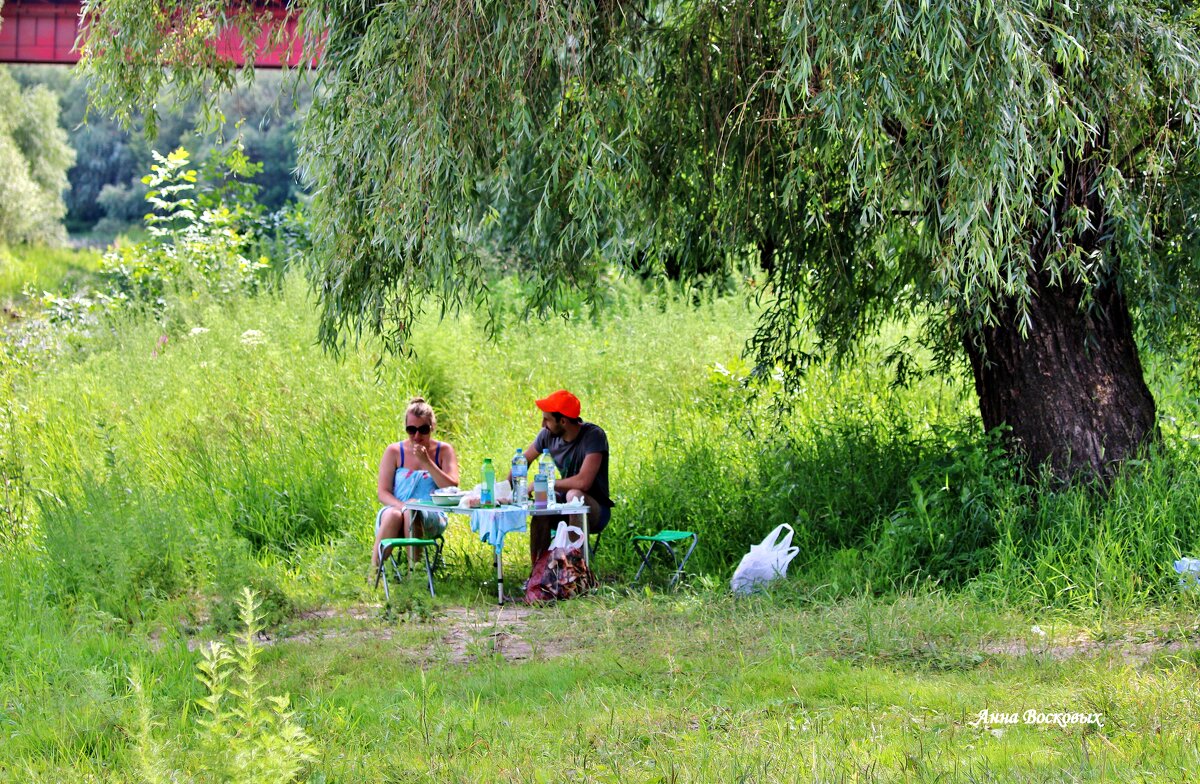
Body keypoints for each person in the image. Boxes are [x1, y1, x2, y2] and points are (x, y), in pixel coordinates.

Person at [513, 389, 613, 565]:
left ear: (563, 421)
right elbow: (523, 461)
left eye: (547, 419)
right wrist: (508, 489)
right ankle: (538, 573)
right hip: (563, 505)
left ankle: (575, 570)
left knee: (573, 495)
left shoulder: (594, 436)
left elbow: (584, 482)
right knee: (541, 506)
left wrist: (543, 483)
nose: (543, 424)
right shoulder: (547, 435)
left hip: (595, 510)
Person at [372, 397, 460, 571]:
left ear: (432, 427)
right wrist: (403, 507)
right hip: (396, 508)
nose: (417, 436)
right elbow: (383, 492)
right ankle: (373, 572)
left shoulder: (444, 451)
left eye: (423, 430)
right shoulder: (394, 451)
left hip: (431, 513)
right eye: (411, 430)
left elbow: (451, 487)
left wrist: (427, 462)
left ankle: (416, 574)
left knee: (413, 510)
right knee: (395, 514)